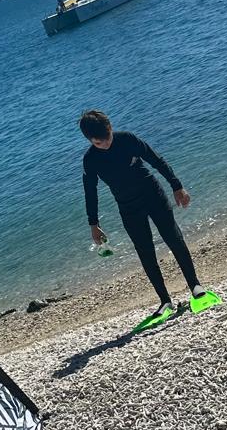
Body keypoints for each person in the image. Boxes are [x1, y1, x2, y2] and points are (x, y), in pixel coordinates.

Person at [79, 109, 209, 323]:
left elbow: (156, 160)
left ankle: (195, 285)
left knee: (174, 238)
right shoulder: (90, 160)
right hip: (128, 208)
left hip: (153, 195)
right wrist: (94, 224)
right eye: (98, 143)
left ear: (110, 128)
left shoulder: (127, 139)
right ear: (90, 140)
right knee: (145, 252)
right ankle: (165, 301)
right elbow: (90, 192)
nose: (105, 144)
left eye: (107, 137)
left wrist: (177, 186)